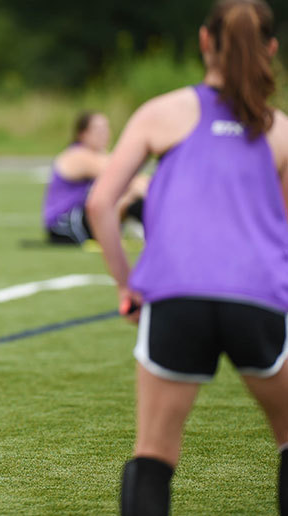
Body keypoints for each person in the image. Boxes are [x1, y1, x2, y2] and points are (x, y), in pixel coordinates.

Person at [86, 1, 288, 513]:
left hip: (177, 296)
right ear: (270, 50)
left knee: (153, 455)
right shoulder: (280, 129)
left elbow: (100, 203)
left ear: (204, 41)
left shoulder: (163, 112)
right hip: (259, 297)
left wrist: (126, 282)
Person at [43, 111, 147, 244]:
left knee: (128, 194)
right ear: (83, 134)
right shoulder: (79, 156)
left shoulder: (100, 156)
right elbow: (124, 177)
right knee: (128, 198)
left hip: (81, 218)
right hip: (64, 225)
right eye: (98, 130)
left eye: (106, 128)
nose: (104, 134)